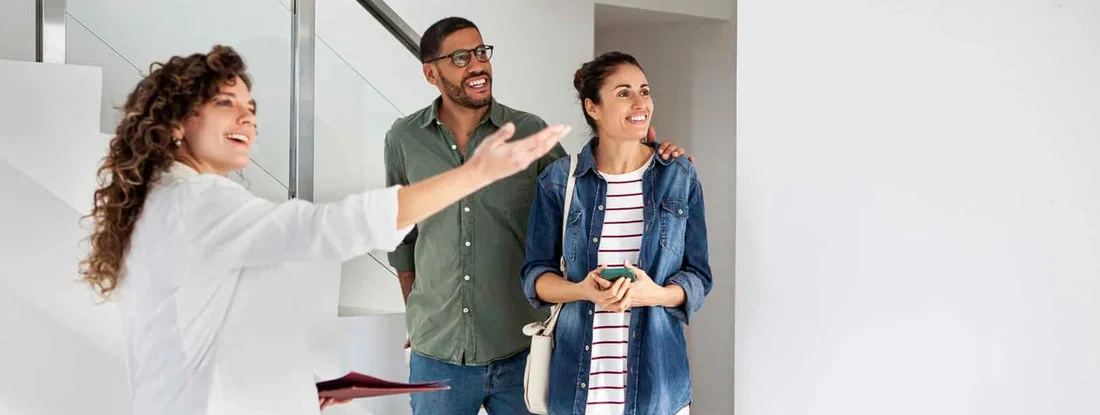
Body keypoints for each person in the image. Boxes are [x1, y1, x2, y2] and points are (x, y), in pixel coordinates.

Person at [78, 45, 568, 415]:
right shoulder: (198, 201)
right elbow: (327, 228)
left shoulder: (165, 200)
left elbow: (205, 324)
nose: (247, 117)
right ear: (177, 123)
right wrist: (474, 175)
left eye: (251, 106)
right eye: (227, 103)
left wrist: (296, 384)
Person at [383, 17, 690, 415]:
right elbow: (401, 238)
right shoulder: (404, 139)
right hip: (437, 353)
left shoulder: (529, 132)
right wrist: (416, 315)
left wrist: (651, 151)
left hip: (522, 349)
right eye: (460, 57)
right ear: (431, 72)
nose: (477, 64)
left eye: (481, 52)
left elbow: (587, 190)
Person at [520, 51, 713, 415]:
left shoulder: (679, 176)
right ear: (593, 108)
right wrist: (582, 290)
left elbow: (699, 277)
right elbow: (535, 276)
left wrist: (652, 294)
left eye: (645, 90)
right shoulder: (560, 181)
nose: (641, 102)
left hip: (658, 390)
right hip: (577, 388)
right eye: (624, 93)